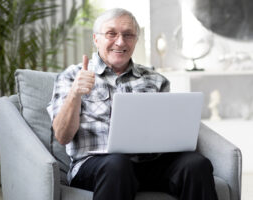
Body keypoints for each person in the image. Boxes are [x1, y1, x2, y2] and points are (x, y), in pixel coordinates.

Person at [47, 8, 218, 200]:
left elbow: (167, 132)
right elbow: (62, 136)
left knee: (195, 164)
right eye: (111, 34)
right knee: (117, 165)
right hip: (96, 165)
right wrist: (75, 93)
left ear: (136, 40)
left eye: (128, 35)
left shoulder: (155, 79)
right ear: (96, 39)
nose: (120, 42)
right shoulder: (73, 76)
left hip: (149, 164)